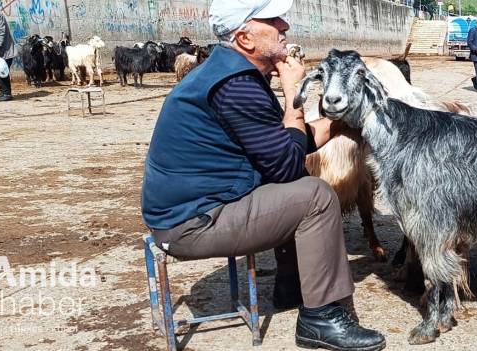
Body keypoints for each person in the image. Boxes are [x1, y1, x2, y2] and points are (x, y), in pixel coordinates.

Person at [140, 1, 386, 350]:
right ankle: (321, 319)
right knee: (315, 195)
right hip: (191, 224)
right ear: (245, 37)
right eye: (272, 20)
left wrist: (340, 122)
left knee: (293, 180)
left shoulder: (231, 73)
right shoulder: (236, 86)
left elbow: (290, 143)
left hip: (196, 208)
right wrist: (293, 95)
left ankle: (291, 286)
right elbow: (287, 161)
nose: (284, 25)